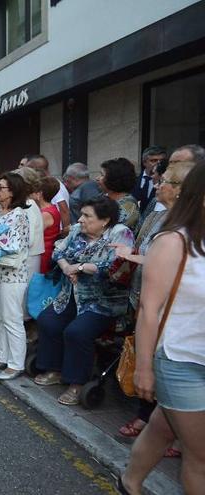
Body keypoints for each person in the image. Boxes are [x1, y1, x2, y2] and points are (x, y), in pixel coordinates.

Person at [119, 160, 205, 495]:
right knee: (201, 456)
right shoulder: (173, 242)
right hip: (180, 360)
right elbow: (149, 309)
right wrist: (143, 368)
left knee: (163, 427)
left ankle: (130, 481)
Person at [112, 160, 194, 446]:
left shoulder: (181, 227)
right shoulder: (164, 219)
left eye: (165, 181)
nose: (157, 185)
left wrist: (134, 256)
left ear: (182, 190)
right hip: (152, 304)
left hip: (175, 319)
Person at [34, 197, 134, 405]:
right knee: (48, 320)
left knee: (77, 332)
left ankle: (76, 383)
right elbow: (58, 251)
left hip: (102, 300)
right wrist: (66, 267)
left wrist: (79, 267)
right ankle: (54, 369)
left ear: (105, 220)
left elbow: (113, 265)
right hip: (72, 293)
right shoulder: (77, 231)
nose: (80, 220)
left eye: (87, 216)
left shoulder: (120, 233)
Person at [0, 173, 30, 380]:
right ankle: (3, 357)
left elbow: (14, 244)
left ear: (13, 191)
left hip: (13, 273)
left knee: (12, 319)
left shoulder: (20, 215)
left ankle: (16, 364)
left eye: (1, 187)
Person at [24, 155, 72, 237]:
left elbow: (64, 209)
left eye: (27, 169)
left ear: (34, 169)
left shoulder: (50, 184)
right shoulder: (49, 182)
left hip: (53, 232)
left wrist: (65, 236)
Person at [96, 157, 140, 229]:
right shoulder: (102, 197)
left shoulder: (128, 205)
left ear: (113, 179)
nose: (97, 178)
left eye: (102, 175)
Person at [34, 176, 61, 273]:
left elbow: (34, 234)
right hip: (46, 251)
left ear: (40, 194)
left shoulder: (45, 214)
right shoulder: (52, 208)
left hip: (43, 254)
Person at [131, 146, 166, 214]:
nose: (158, 163)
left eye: (161, 161)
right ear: (144, 162)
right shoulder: (133, 180)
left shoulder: (167, 183)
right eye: (154, 160)